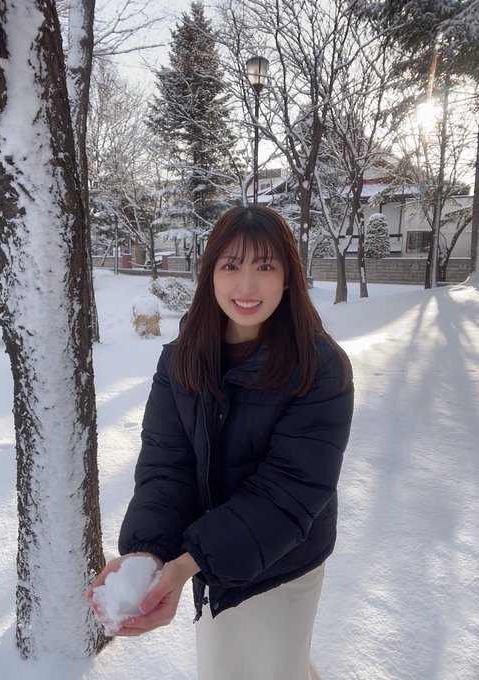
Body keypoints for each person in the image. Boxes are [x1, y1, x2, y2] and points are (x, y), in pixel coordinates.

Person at [89, 205, 354, 680]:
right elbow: (166, 465)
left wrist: (188, 564)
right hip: (211, 560)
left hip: (284, 563)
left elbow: (290, 490)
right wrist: (148, 552)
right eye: (231, 265)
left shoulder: (320, 368)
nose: (246, 286)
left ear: (288, 278)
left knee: (275, 668)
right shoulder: (182, 359)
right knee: (230, 666)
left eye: (265, 266)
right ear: (209, 273)